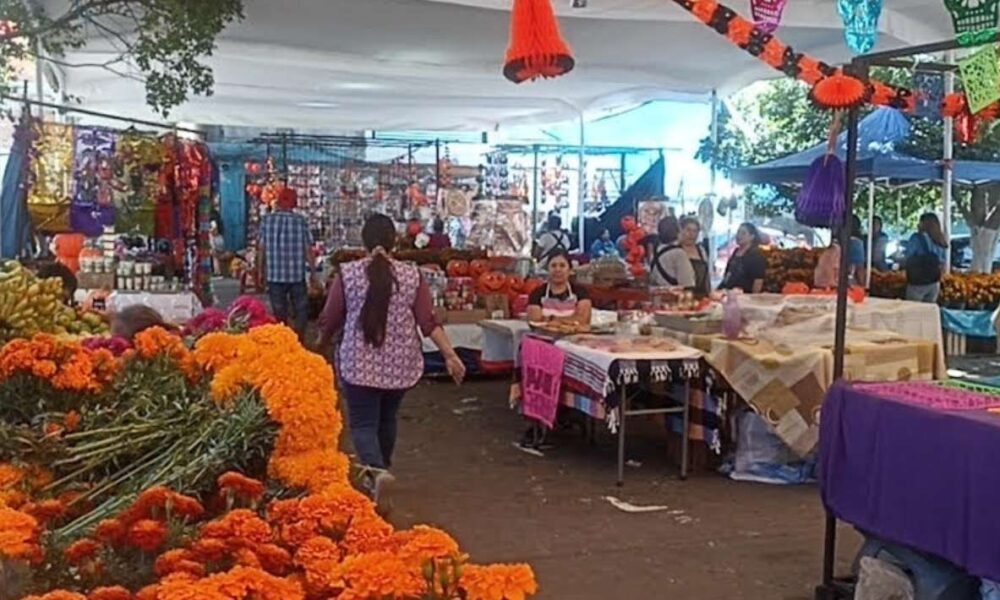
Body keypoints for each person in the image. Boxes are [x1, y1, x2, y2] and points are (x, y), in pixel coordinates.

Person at [317, 214, 465, 512]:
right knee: (387, 420)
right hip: (401, 364)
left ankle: (376, 470)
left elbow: (329, 319)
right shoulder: (412, 276)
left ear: (364, 241)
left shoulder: (347, 274)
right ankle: (380, 471)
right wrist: (451, 354)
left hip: (358, 363)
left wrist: (317, 347)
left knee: (362, 422)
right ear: (395, 241)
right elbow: (428, 321)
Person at [258, 187, 315, 341]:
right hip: (296, 276)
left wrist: (260, 271)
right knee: (301, 310)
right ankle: (299, 339)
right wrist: (313, 273)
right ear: (294, 203)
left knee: (279, 311)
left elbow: (261, 249)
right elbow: (308, 249)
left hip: (275, 275)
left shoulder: (266, 220)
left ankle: (283, 340)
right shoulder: (300, 221)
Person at [526, 249, 592, 324]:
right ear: (548, 270)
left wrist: (551, 319)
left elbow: (583, 319)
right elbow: (535, 320)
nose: (557, 270)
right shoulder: (537, 293)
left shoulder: (581, 292)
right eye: (553, 266)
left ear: (570, 270)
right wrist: (569, 320)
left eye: (562, 266)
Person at [904, 212, 948, 303]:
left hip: (918, 282)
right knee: (928, 311)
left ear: (923, 224)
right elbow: (942, 260)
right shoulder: (940, 239)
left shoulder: (916, 238)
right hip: (934, 281)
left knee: (913, 310)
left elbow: (908, 256)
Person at [649, 216, 696, 289]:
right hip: (674, 297)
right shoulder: (679, 254)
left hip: (658, 297)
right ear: (678, 232)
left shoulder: (655, 252)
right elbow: (688, 284)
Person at [720, 223, 767, 294]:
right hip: (728, 294)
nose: (739, 236)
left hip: (744, 296)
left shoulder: (756, 255)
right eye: (738, 232)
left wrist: (753, 298)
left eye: (743, 233)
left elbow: (758, 281)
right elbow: (728, 275)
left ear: (752, 237)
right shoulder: (736, 251)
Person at [679, 216, 712, 296]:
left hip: (702, 295)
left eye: (695, 231)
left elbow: (706, 276)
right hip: (682, 297)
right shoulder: (676, 250)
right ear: (681, 230)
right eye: (688, 230)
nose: (691, 234)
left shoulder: (701, 250)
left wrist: (710, 293)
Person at [848, 214, 867, 286]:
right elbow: (859, 267)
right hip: (850, 282)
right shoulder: (856, 243)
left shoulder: (839, 241)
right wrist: (863, 285)